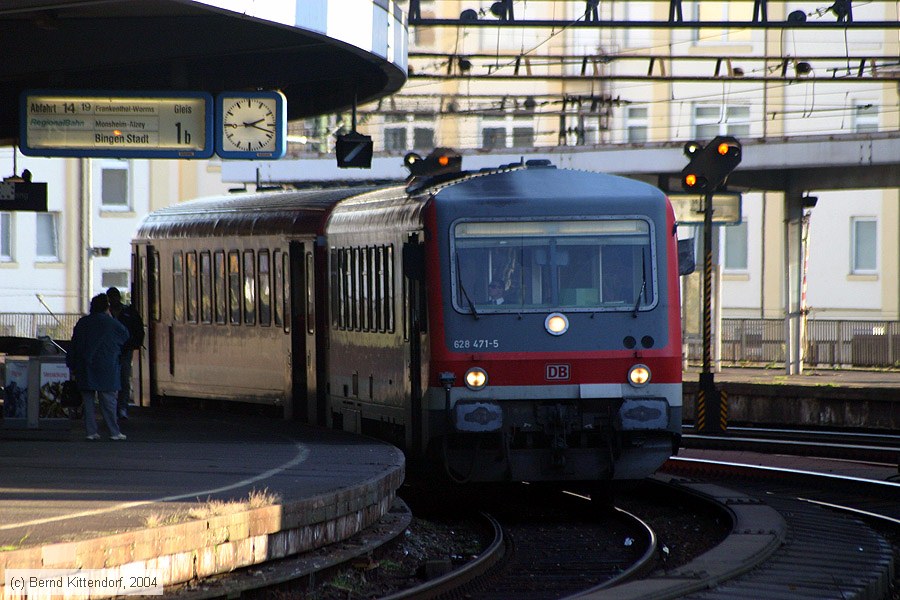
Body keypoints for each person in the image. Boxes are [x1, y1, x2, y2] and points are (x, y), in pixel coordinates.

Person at [66, 293, 129, 441]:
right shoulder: (111, 323)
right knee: (108, 402)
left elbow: (74, 344)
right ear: (107, 307)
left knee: (88, 401)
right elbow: (125, 336)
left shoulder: (83, 323)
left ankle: (91, 432)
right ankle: (114, 431)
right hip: (107, 367)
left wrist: (72, 364)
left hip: (86, 367)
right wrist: (110, 316)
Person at [106, 286, 144, 420]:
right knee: (114, 379)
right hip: (111, 351)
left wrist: (135, 343)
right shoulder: (108, 314)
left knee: (123, 378)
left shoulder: (127, 313)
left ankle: (121, 407)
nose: (113, 300)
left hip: (124, 350)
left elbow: (138, 329)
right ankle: (117, 407)